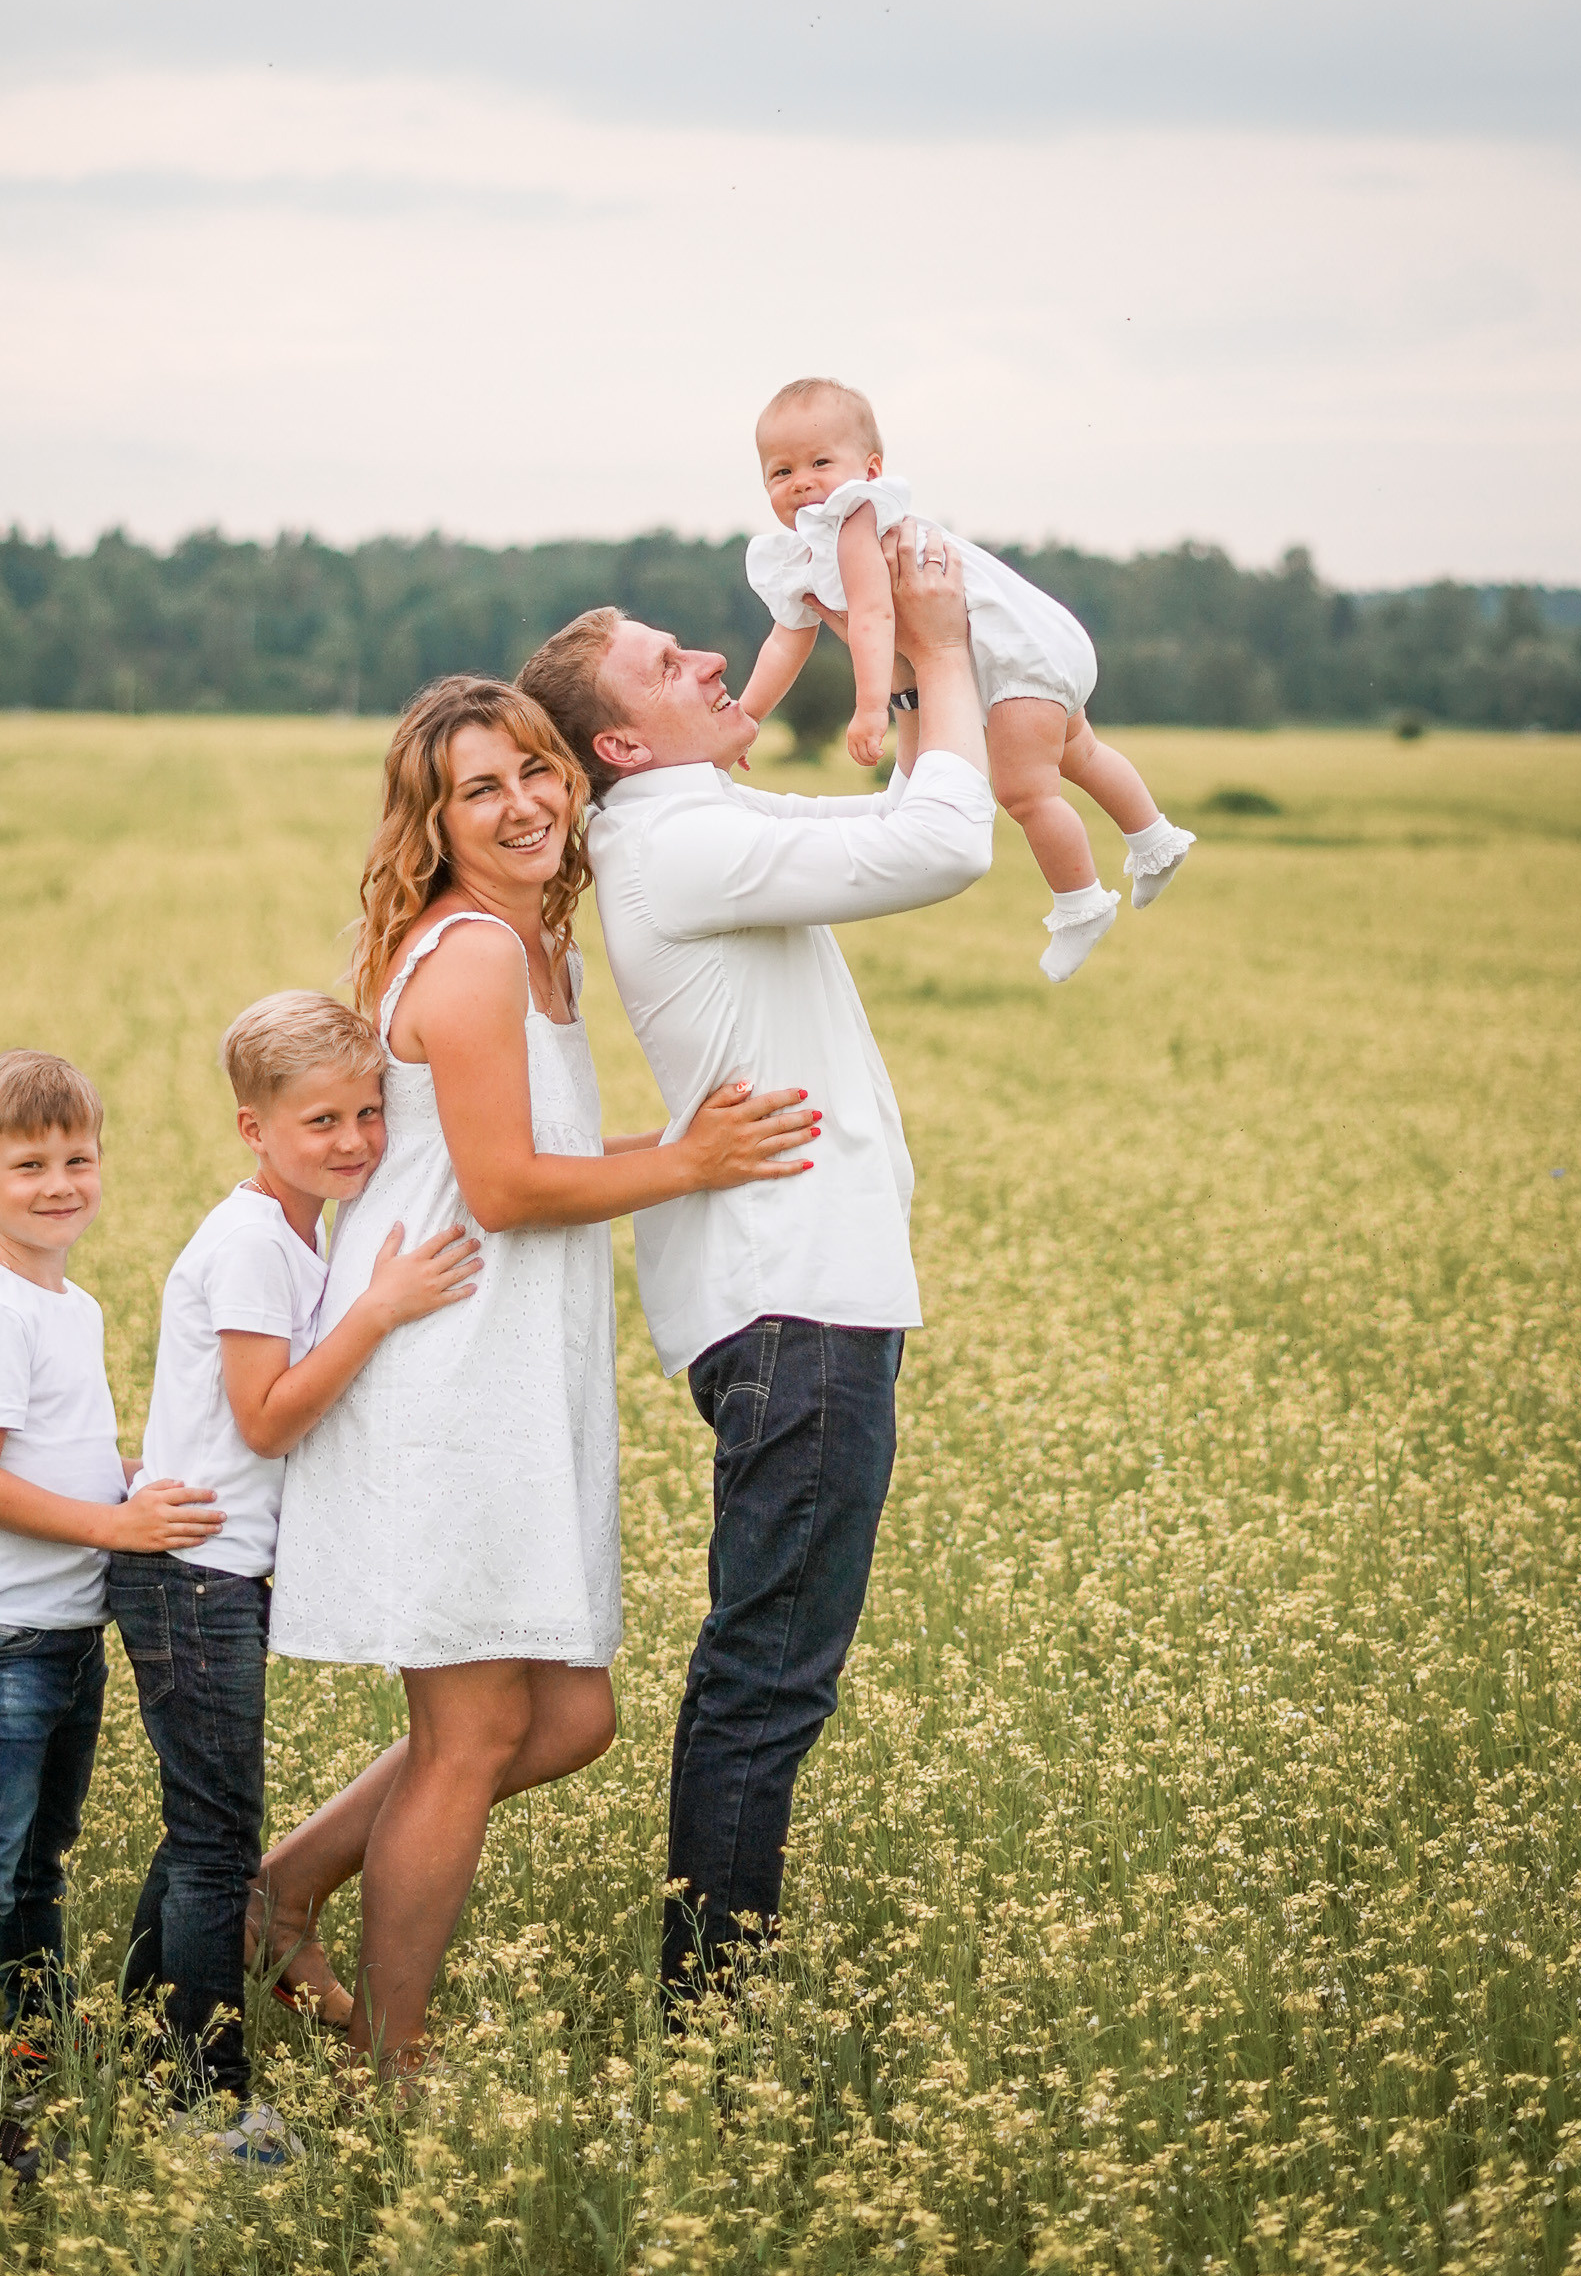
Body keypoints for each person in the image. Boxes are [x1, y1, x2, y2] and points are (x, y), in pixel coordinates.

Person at [257, 676, 822, 2079]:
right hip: (444, 1381)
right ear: (432, 821)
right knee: (466, 1736)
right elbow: (504, 1191)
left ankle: (274, 1889)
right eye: (478, 789)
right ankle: (394, 2064)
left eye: (535, 772)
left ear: (573, 780)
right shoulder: (470, 958)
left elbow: (522, 1148)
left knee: (567, 1717)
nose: (521, 806)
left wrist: (667, 1144)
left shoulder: (533, 949)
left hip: (512, 1375)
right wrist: (683, 1162)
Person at [514, 528, 993, 2001]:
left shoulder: (685, 824)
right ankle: (709, 2009)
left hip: (791, 1303)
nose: (712, 659)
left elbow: (893, 813)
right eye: (672, 663)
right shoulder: (684, 838)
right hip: (799, 1309)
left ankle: (709, 1988)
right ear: (619, 739)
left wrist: (892, 662)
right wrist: (942, 650)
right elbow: (948, 840)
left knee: (764, 1669)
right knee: (766, 1677)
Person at [110, 991, 478, 2165]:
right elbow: (265, 1421)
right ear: (251, 1130)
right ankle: (204, 2105)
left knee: (199, 1838)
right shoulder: (256, 1245)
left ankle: (124, 2044)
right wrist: (376, 1311)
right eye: (321, 1120)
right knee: (218, 1850)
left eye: (371, 1112)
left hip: (210, 1575)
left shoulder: (288, 1229)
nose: (357, 1141)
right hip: (198, 1580)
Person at [0, 1049, 220, 2181]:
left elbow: (48, 1456)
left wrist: (124, 1477)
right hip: (1, 1645)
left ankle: (38, 2038)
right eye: (27, 1164)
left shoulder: (68, 1301)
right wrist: (121, 1530)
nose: (57, 1183)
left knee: (39, 1864)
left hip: (64, 1634)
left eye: (77, 1159)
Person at [736, 376, 1194, 981]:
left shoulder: (855, 519)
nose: (801, 481)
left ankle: (1080, 902)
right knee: (1077, 751)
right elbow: (784, 642)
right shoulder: (803, 554)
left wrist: (871, 707)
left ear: (870, 469)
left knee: (1024, 790)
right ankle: (1155, 838)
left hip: (1013, 654)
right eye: (780, 471)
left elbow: (873, 616)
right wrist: (746, 717)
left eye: (821, 462)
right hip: (1029, 641)